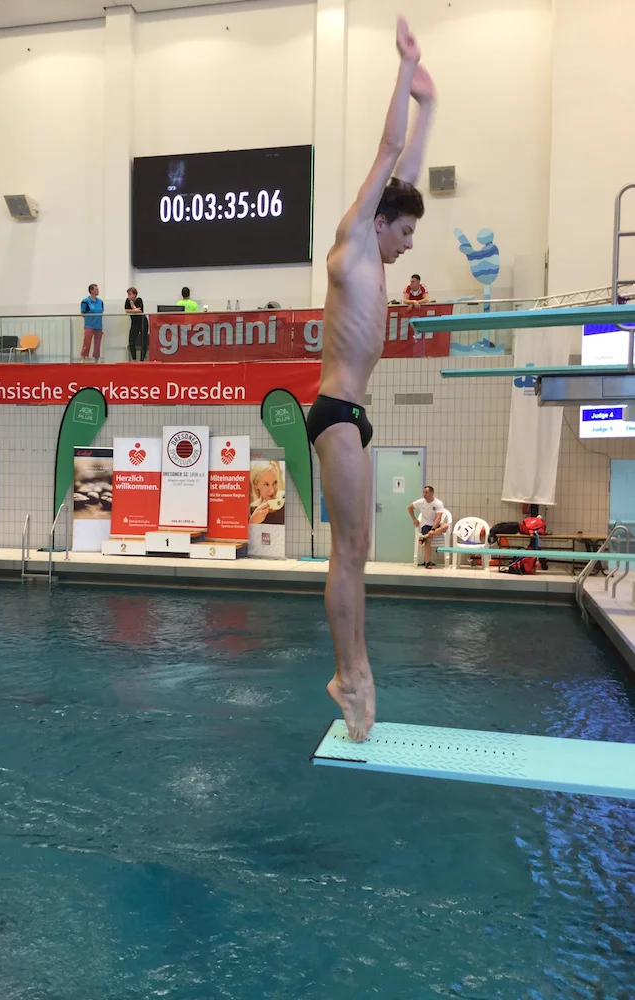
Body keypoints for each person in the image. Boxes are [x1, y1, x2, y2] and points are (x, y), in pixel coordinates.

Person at [306, 17, 435, 742]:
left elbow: (406, 173)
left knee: (358, 551)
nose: (408, 244)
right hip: (333, 411)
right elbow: (389, 156)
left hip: (354, 411)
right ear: (377, 222)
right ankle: (349, 673)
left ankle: (354, 669)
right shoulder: (353, 243)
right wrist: (402, 71)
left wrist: (431, 107)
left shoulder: (377, 254)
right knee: (347, 552)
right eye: (405, 231)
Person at [408, 485, 445, 569]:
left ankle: (424, 536)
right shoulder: (421, 502)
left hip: (435, 525)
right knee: (429, 540)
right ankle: (427, 562)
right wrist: (414, 519)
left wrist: (433, 530)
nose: (424, 494)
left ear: (432, 493)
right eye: (423, 492)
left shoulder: (438, 503)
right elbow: (409, 507)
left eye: (426, 492)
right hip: (425, 525)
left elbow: (438, 518)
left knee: (445, 526)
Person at [249, 461, 285, 525]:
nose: (272, 491)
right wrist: (253, 522)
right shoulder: (250, 510)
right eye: (266, 484)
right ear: (256, 484)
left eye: (275, 483)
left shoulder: (286, 501)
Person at [80, 283, 105, 362]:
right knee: (87, 342)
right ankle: (83, 357)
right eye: (96, 289)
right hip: (89, 325)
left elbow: (101, 311)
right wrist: (89, 318)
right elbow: (82, 313)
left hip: (98, 325)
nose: (98, 291)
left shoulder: (100, 301)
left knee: (97, 344)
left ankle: (96, 359)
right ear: (91, 290)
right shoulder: (85, 301)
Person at [125, 287, 149, 361]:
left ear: (135, 294)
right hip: (134, 323)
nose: (128, 296)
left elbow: (139, 311)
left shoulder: (139, 300)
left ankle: (142, 359)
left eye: (130, 294)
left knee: (143, 340)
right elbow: (126, 310)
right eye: (128, 294)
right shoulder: (127, 300)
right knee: (131, 340)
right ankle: (134, 359)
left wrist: (132, 304)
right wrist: (134, 310)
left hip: (142, 322)